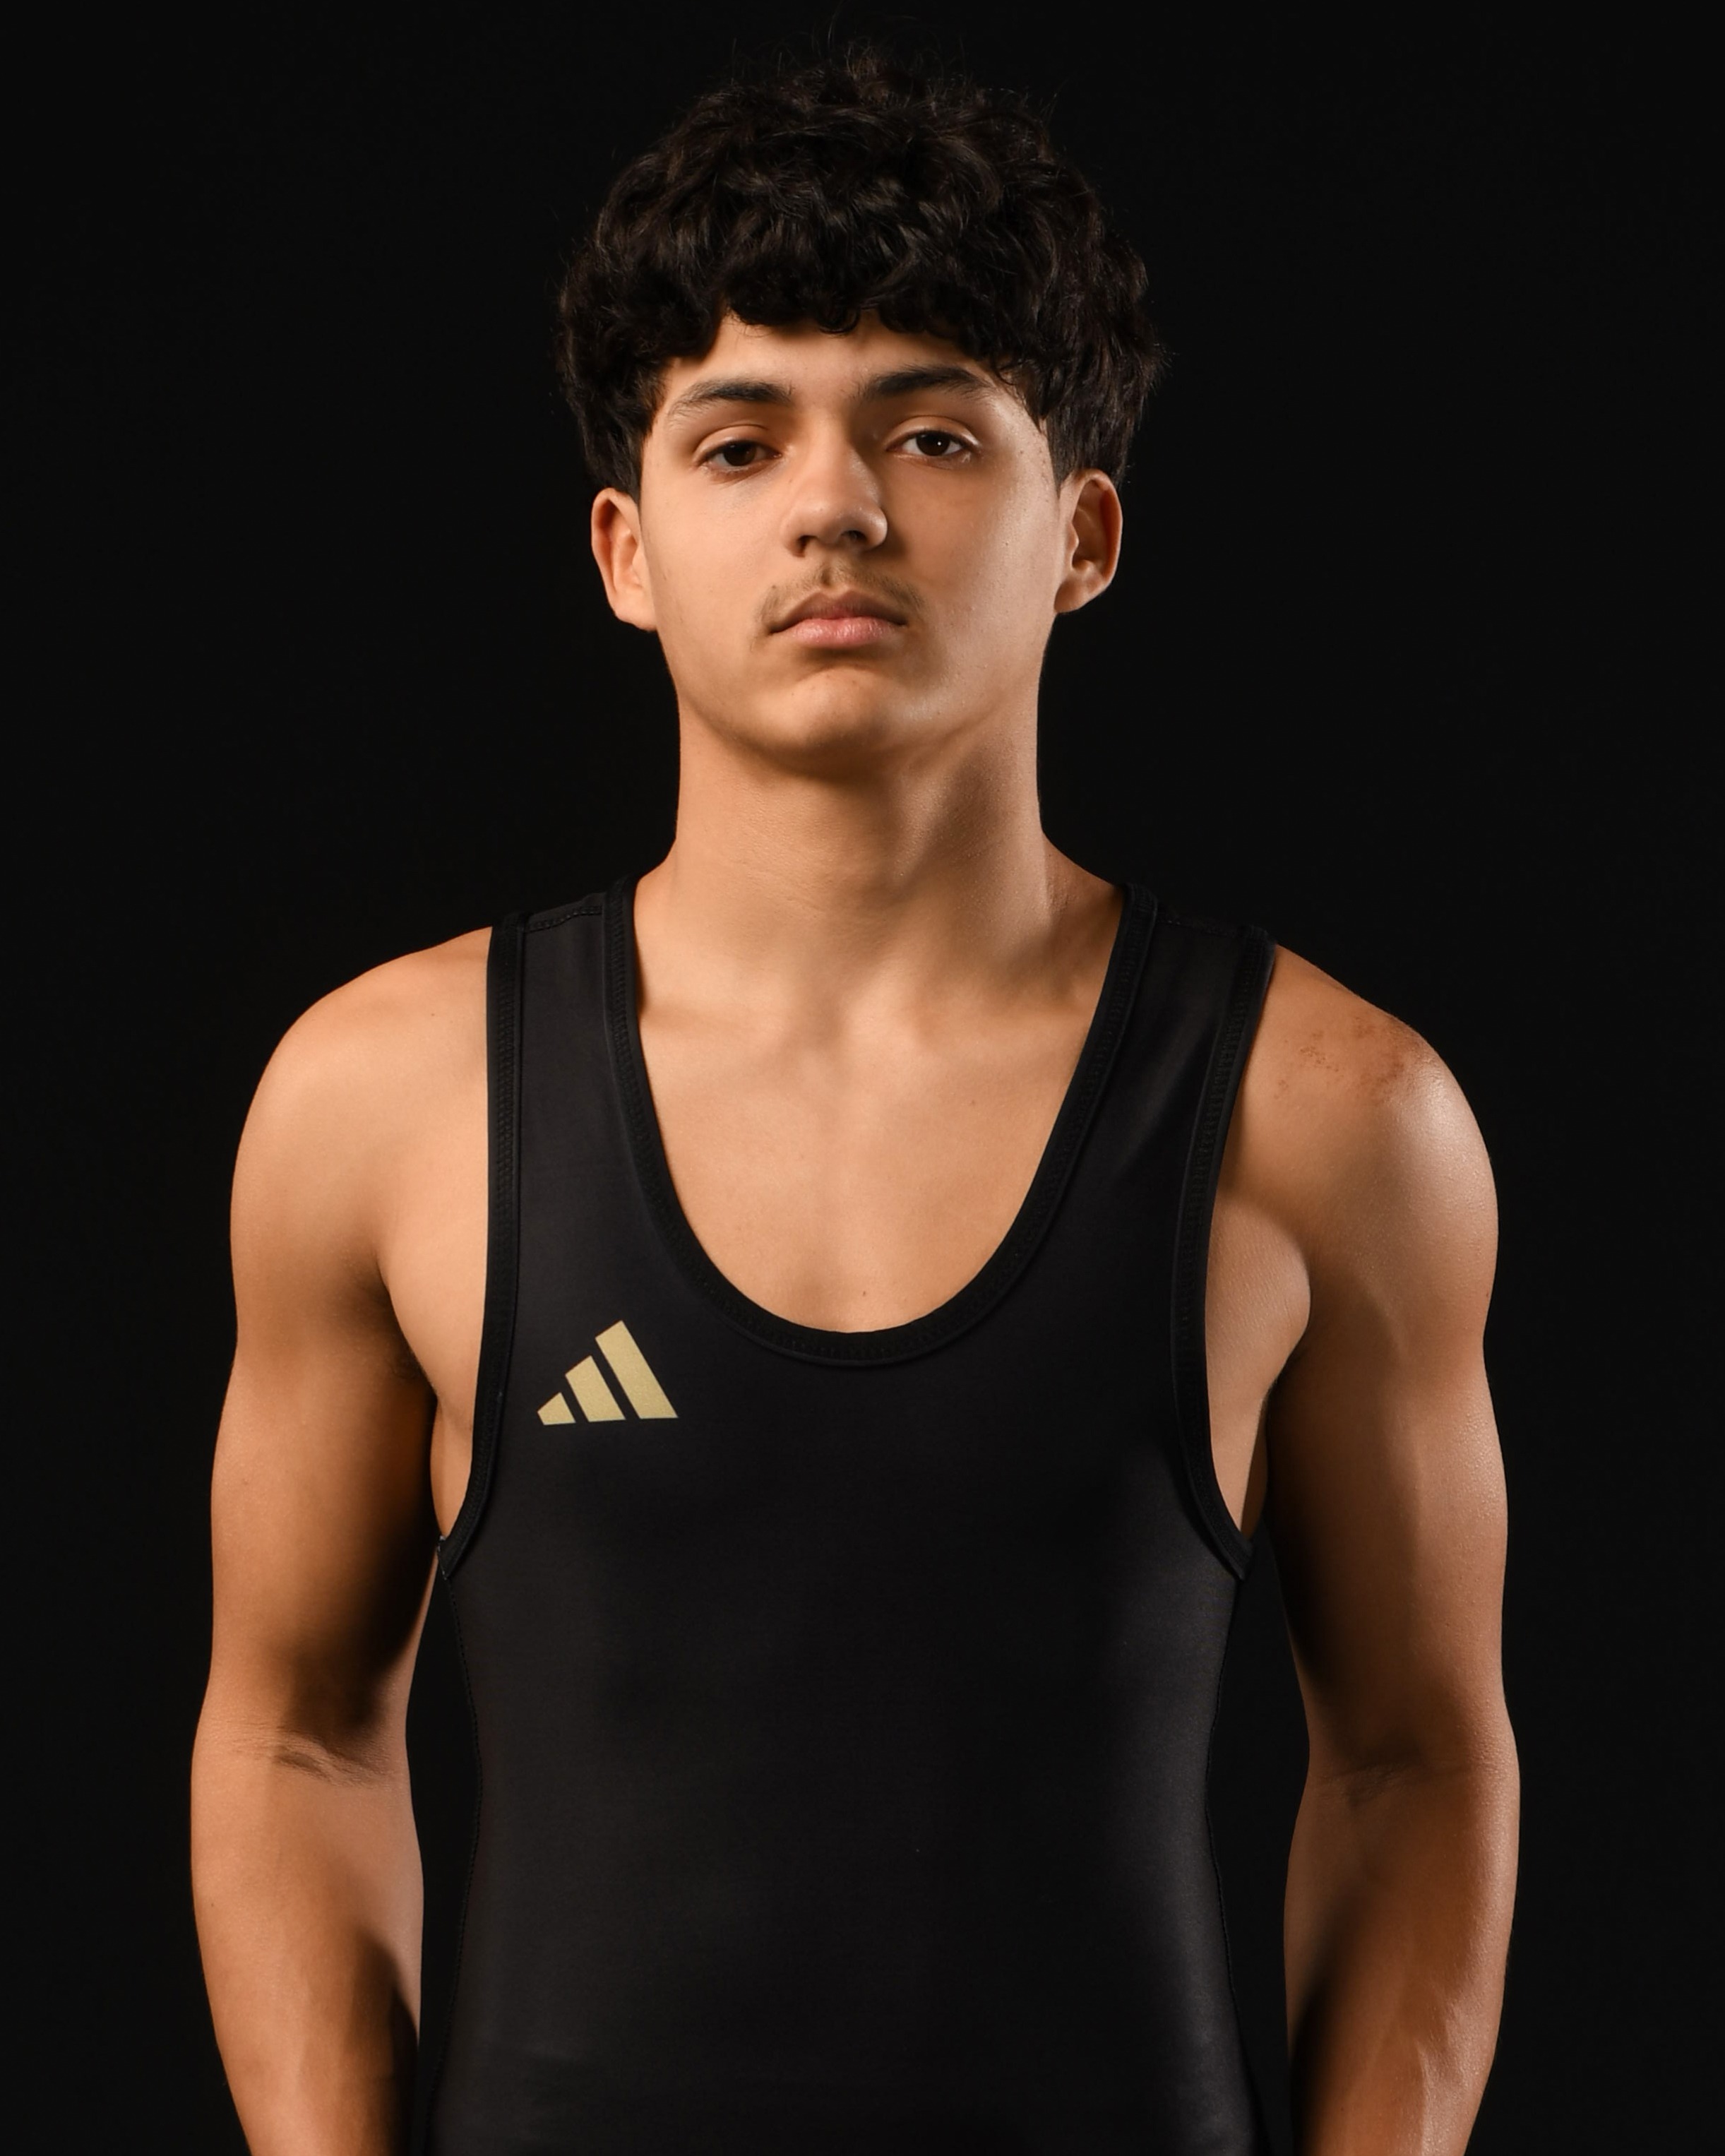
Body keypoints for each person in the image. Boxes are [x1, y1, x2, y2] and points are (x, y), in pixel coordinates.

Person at [191, 44, 1518, 2156]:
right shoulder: (387, 1100)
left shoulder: (1330, 1112)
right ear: (627, 548)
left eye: (932, 432)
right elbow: (290, 1736)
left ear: (1082, 532)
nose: (838, 507)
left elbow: (1414, 1766)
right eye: (740, 443)